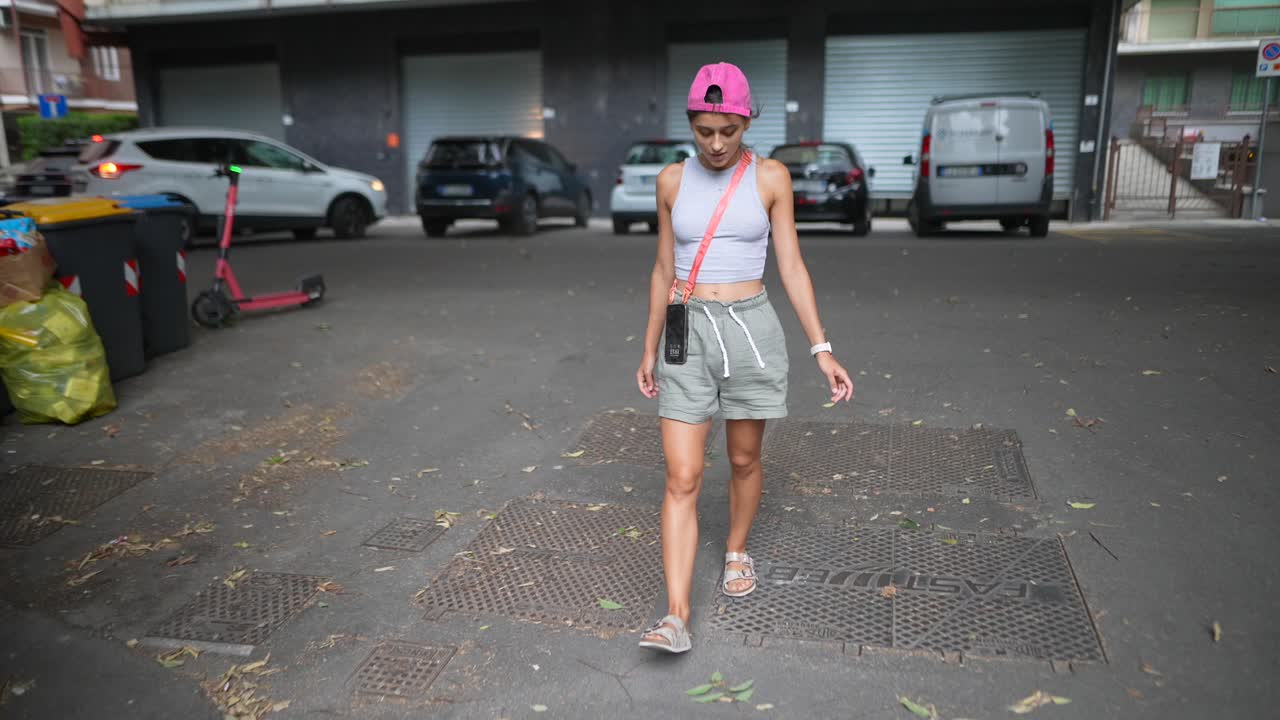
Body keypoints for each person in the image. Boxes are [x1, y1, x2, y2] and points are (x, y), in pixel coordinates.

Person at [635, 62, 854, 653]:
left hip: (749, 329)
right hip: (686, 329)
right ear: (691, 123)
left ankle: (735, 548)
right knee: (682, 476)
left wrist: (822, 349)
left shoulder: (771, 178)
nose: (714, 144)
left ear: (744, 122)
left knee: (742, 459)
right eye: (704, 130)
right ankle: (676, 615)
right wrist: (650, 345)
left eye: (727, 131)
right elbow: (662, 269)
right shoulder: (671, 182)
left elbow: (791, 267)